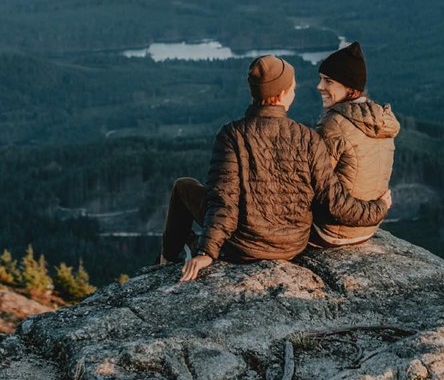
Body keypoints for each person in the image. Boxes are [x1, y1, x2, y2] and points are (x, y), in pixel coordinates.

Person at [159, 54, 392, 282]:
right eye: (292, 88)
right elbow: (333, 201)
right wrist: (378, 208)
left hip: (244, 247)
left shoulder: (232, 135)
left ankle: (167, 259)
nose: (296, 92)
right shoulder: (308, 138)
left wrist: (207, 252)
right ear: (281, 94)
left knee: (183, 186)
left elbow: (224, 202)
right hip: (293, 246)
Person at [311, 41, 399, 248]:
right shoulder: (381, 120)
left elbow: (315, 183)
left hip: (329, 231)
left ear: (350, 89)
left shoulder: (334, 124)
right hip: (367, 228)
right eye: (321, 79)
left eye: (328, 81)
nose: (319, 86)